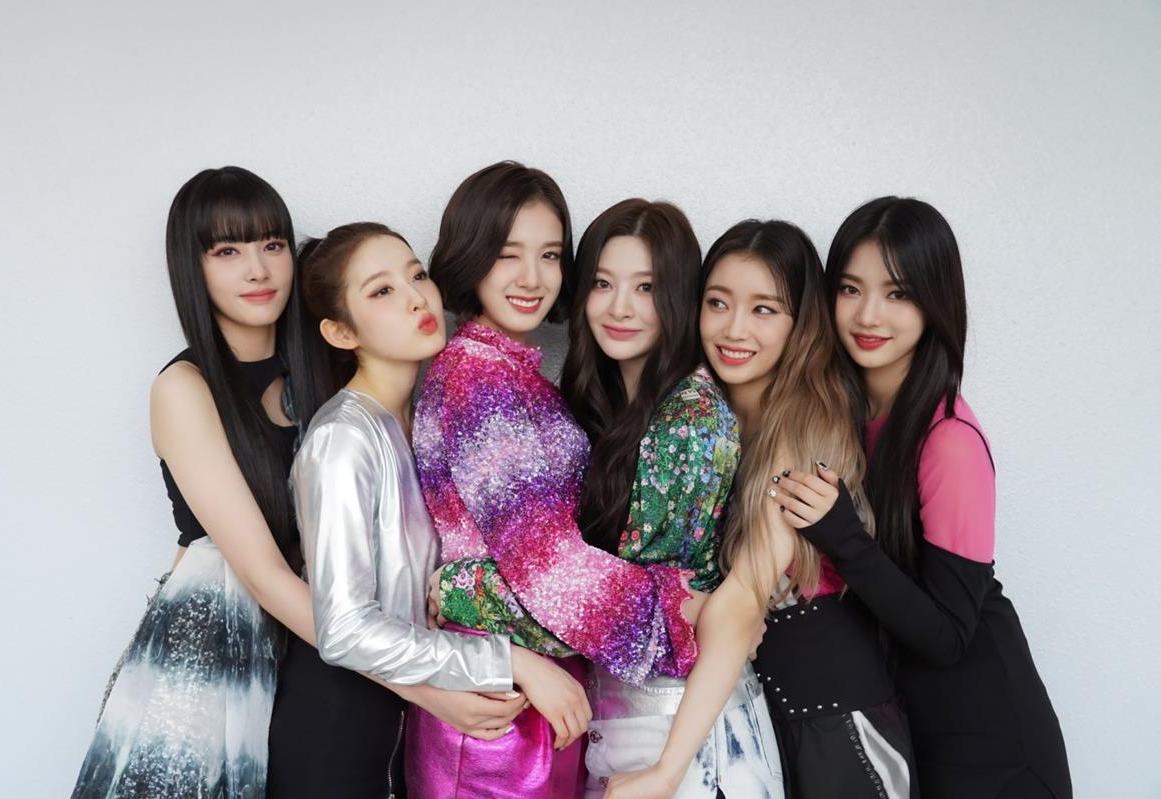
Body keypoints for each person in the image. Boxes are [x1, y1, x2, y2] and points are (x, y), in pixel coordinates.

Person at [435, 200, 784, 797]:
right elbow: (600, 599)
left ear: (678, 296)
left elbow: (607, 614)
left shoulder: (689, 419)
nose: (620, 307)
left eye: (646, 288)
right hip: (623, 719)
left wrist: (460, 591)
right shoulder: (607, 408)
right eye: (602, 283)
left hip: (681, 731)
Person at [266, 222, 590, 797]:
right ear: (340, 332)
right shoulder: (343, 439)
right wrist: (512, 662)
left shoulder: (422, 418)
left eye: (416, 275)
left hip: (416, 719)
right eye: (382, 291)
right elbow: (345, 628)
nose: (417, 298)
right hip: (342, 732)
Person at [410, 165, 699, 797]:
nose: (532, 278)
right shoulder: (480, 380)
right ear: (471, 255)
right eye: (507, 254)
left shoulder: (518, 375)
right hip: (498, 708)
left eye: (548, 255)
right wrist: (684, 618)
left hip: (538, 688)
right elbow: (551, 571)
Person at [606, 220, 916, 799]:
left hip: (840, 727)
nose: (734, 329)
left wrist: (665, 772)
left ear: (802, 324)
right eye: (717, 303)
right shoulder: (703, 415)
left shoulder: (807, 428)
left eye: (764, 310)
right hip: (761, 717)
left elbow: (743, 602)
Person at [781, 196, 1071, 798]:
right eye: (851, 289)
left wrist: (842, 535)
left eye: (898, 294)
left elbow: (949, 635)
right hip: (912, 735)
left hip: (993, 748)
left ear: (935, 303)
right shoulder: (842, 419)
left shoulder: (949, 440)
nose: (869, 315)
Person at [72, 166, 334, 798]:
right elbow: (263, 574)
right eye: (227, 251)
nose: (258, 270)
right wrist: (418, 675)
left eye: (272, 245)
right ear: (192, 268)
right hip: (206, 650)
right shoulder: (183, 388)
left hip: (303, 641)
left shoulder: (322, 371)